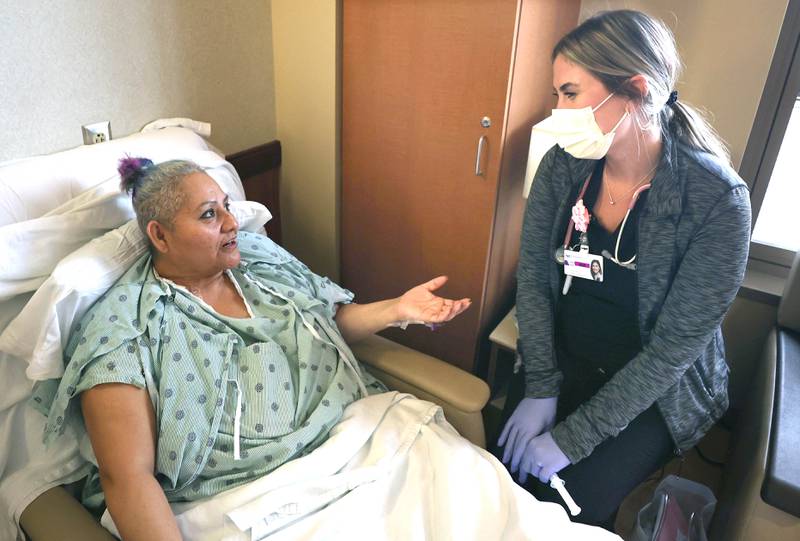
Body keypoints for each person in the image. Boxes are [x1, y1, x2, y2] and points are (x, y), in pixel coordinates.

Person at [33, 157, 470, 540]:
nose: (230, 222)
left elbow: (325, 321)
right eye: (209, 214)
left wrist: (398, 309)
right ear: (160, 236)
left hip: (355, 443)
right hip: (252, 501)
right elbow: (126, 478)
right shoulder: (124, 329)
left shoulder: (259, 260)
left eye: (226, 205)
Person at [496, 9, 751, 529]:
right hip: (568, 356)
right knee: (501, 477)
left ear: (634, 89)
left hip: (654, 387)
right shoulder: (563, 164)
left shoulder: (716, 202)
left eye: (569, 93)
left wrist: (571, 439)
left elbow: (671, 353)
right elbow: (536, 282)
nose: (557, 111)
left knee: (572, 506)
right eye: (556, 94)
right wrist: (542, 384)